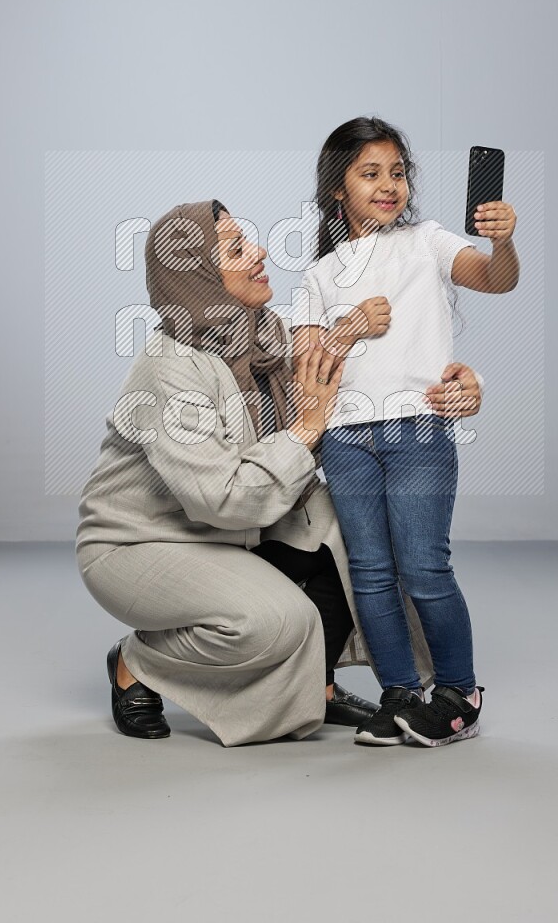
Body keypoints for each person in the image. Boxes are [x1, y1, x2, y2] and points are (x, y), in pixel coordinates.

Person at [76, 198, 486, 747]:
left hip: (223, 536)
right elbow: (221, 500)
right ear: (197, 276)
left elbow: (369, 378)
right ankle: (139, 661)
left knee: (355, 528)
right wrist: (306, 428)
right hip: (140, 544)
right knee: (279, 622)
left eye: (252, 240)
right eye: (237, 249)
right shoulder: (168, 370)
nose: (261, 252)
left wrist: (463, 384)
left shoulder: (265, 337)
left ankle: (315, 682)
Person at [294, 117, 519, 747]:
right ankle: (398, 693)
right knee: (369, 571)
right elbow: (307, 370)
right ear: (337, 187)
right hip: (346, 437)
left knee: (423, 566)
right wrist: (351, 327)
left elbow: (497, 278)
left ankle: (458, 692)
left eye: (397, 173)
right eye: (370, 173)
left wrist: (502, 244)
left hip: (418, 428)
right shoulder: (320, 275)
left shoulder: (428, 242)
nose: (388, 185)